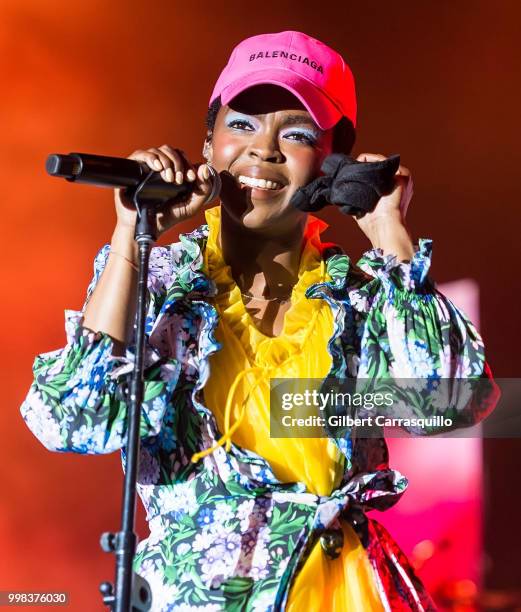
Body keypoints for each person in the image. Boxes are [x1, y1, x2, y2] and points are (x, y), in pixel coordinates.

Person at [21, 31, 499, 611]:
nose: (263, 150)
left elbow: (450, 402)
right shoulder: (156, 283)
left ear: (332, 162)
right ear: (209, 141)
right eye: (241, 125)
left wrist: (388, 231)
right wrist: (131, 233)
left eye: (295, 135)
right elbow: (73, 421)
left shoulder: (365, 298)